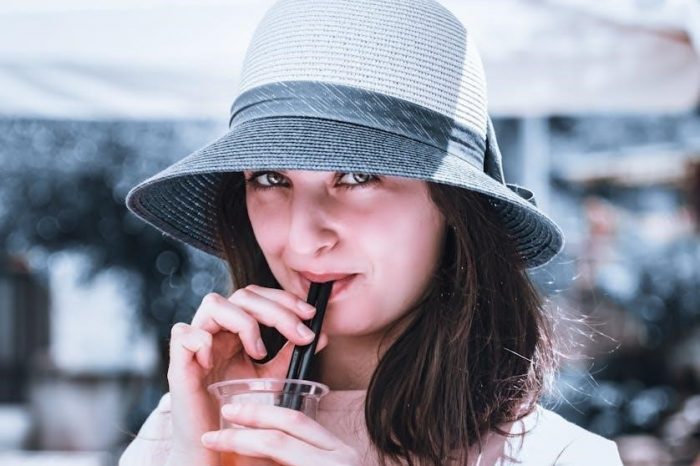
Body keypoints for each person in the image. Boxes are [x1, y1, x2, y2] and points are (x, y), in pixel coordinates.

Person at [120, 0, 624, 464]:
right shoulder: (184, 428)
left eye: (357, 176)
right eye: (271, 179)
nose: (302, 240)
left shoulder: (562, 458)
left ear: (453, 205)